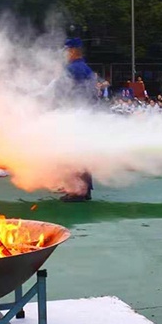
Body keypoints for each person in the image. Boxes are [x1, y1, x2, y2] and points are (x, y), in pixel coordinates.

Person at [60, 37, 96, 202]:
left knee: (73, 154)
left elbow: (60, 92)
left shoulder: (73, 69)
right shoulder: (85, 68)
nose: (65, 53)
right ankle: (84, 189)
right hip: (85, 115)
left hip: (74, 115)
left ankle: (78, 191)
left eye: (67, 50)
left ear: (73, 51)